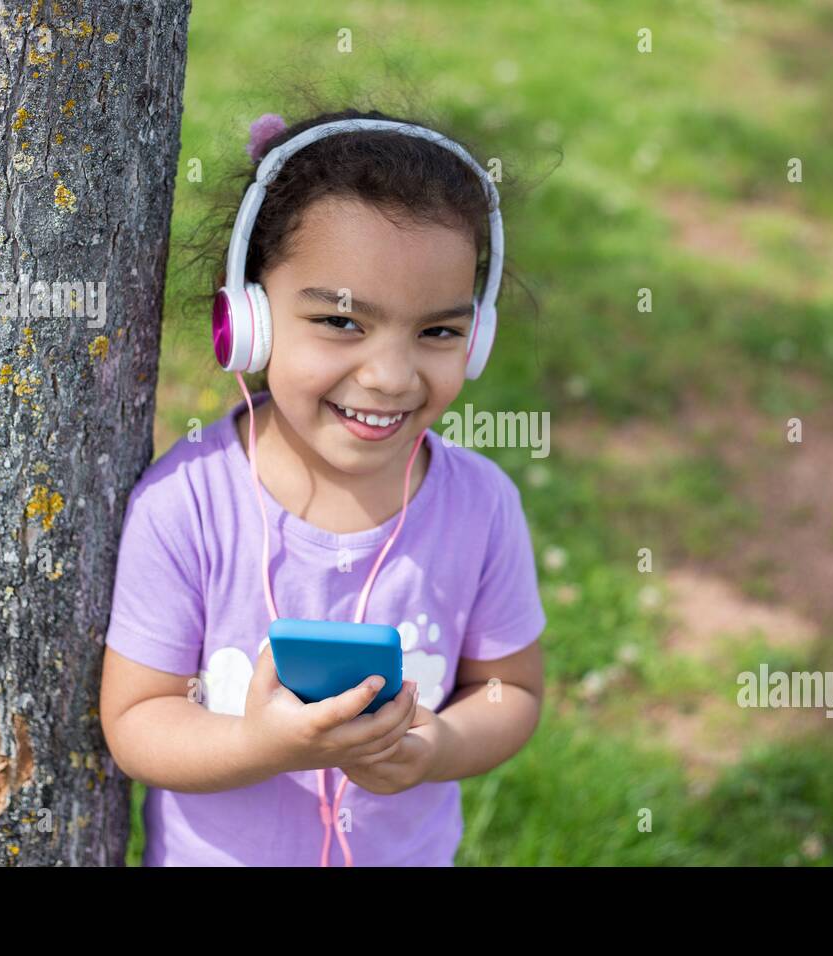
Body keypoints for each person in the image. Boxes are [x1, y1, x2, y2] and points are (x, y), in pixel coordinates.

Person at [99, 107, 547, 866]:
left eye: (438, 332)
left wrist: (437, 747)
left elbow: (513, 693)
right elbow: (137, 720)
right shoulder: (188, 504)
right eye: (342, 323)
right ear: (248, 320)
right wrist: (256, 743)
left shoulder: (481, 505)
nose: (391, 376)